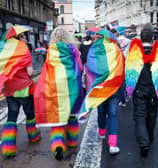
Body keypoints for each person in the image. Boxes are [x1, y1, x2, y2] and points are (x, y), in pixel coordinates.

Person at [34, 27, 83, 160]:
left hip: (55, 87)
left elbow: (47, 69)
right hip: (72, 86)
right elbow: (80, 67)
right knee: (72, 116)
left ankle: (58, 146)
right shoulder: (74, 50)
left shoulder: (51, 51)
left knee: (58, 117)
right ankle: (72, 142)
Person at [79, 31, 125, 155]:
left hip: (99, 88)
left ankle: (101, 132)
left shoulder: (93, 51)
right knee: (113, 114)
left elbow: (89, 69)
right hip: (113, 87)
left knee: (101, 111)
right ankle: (113, 144)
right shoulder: (116, 49)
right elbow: (122, 66)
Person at [125, 24, 158, 157]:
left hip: (139, 90)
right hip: (154, 90)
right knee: (152, 114)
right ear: (152, 39)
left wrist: (128, 90)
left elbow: (129, 72)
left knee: (140, 116)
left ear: (140, 38)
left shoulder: (134, 53)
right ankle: (150, 137)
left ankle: (144, 143)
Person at [0, 32, 41, 157]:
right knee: (29, 114)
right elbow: (30, 72)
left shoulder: (4, 51)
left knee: (12, 117)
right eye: (23, 36)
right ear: (19, 37)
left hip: (10, 89)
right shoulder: (24, 50)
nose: (25, 39)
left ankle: (8, 146)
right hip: (24, 89)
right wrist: (31, 72)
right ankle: (33, 136)